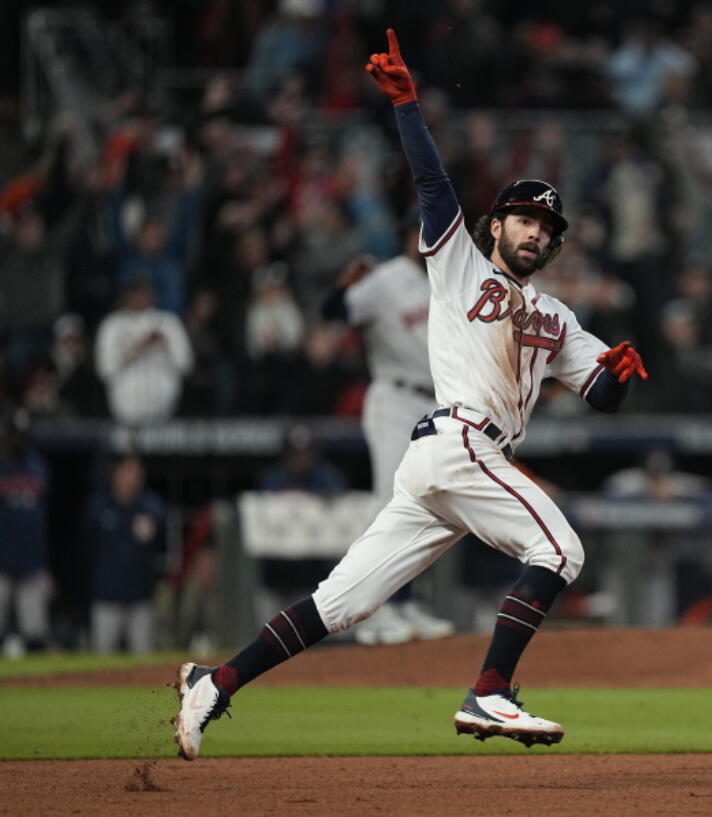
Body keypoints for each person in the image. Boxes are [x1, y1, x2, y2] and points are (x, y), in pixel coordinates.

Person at [172, 29, 648, 760]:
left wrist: (618, 372)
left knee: (344, 603)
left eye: (547, 228)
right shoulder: (458, 264)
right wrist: (408, 109)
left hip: (445, 464)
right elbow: (433, 185)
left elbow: (601, 396)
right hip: (457, 442)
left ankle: (216, 680)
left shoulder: (557, 317)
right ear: (498, 224)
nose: (535, 232)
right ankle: (490, 688)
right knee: (560, 548)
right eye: (525, 218)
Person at [322, 223, 455, 644]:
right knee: (390, 504)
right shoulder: (386, 279)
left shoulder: (448, 282)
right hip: (395, 399)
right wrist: (341, 286)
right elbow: (334, 313)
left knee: (426, 505)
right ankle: (372, 610)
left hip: (434, 403)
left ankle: (404, 603)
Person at [82, 454, 168, 654]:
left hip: (141, 598)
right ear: (115, 474)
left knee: (143, 657)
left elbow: (162, 550)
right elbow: (85, 550)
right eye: (127, 472)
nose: (132, 478)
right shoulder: (98, 507)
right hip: (106, 597)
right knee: (101, 659)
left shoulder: (152, 507)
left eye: (137, 473)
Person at [94, 276, 194, 426]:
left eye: (144, 292)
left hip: (165, 409)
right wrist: (140, 347)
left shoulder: (169, 322)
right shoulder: (113, 324)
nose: (140, 297)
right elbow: (105, 369)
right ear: (126, 295)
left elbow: (185, 365)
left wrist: (165, 344)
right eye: (135, 292)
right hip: (126, 410)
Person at [0, 408, 52, 658]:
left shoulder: (37, 467)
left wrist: (44, 566)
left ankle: (38, 688)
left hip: (31, 564)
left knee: (35, 634)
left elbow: (42, 523)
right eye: (14, 434)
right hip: (1, 564)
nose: (18, 440)